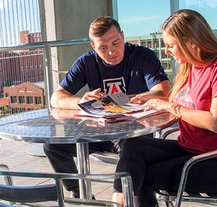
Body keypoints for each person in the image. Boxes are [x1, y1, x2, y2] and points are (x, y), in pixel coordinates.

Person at [111, 9, 217, 207]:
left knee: (142, 177)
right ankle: (119, 203)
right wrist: (152, 100)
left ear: (190, 41)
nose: (167, 51)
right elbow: (189, 103)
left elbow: (216, 122)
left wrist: (170, 106)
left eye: (171, 45)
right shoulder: (192, 67)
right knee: (133, 145)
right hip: (193, 149)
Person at [44, 15, 171, 198]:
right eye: (103, 47)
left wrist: (121, 100)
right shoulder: (86, 62)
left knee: (134, 153)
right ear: (93, 47)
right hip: (99, 133)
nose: (111, 51)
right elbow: (56, 98)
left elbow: (163, 91)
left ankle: (136, 201)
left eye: (115, 42)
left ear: (123, 36)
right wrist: (80, 102)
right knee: (52, 146)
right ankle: (81, 195)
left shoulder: (142, 56)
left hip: (135, 131)